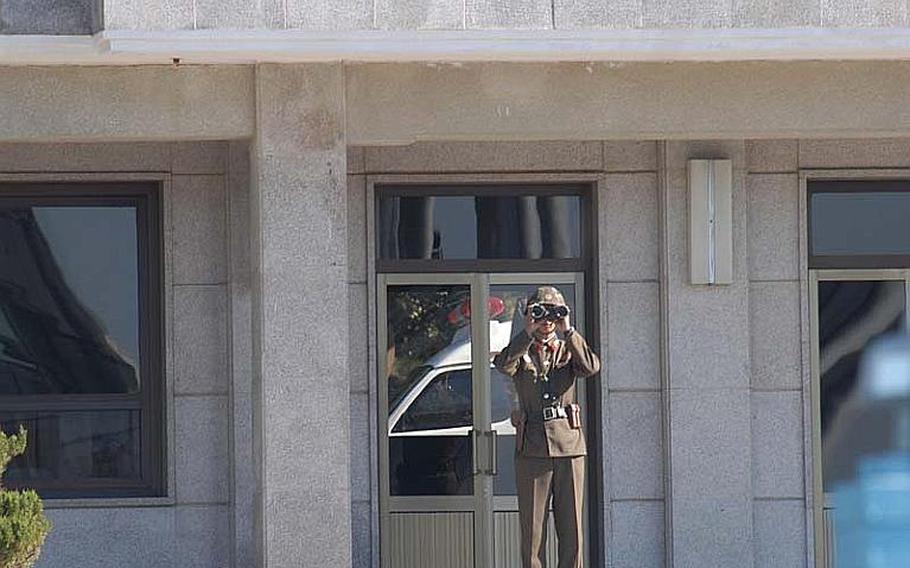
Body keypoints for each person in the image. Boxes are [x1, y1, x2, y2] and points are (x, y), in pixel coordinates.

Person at [493, 286, 601, 568]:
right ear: (529, 316)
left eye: (554, 314)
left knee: (572, 532)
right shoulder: (520, 349)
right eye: (540, 313)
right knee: (532, 535)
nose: (547, 320)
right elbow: (503, 365)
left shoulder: (569, 348)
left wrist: (569, 330)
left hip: (569, 447)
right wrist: (526, 332)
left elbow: (591, 367)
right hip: (533, 450)